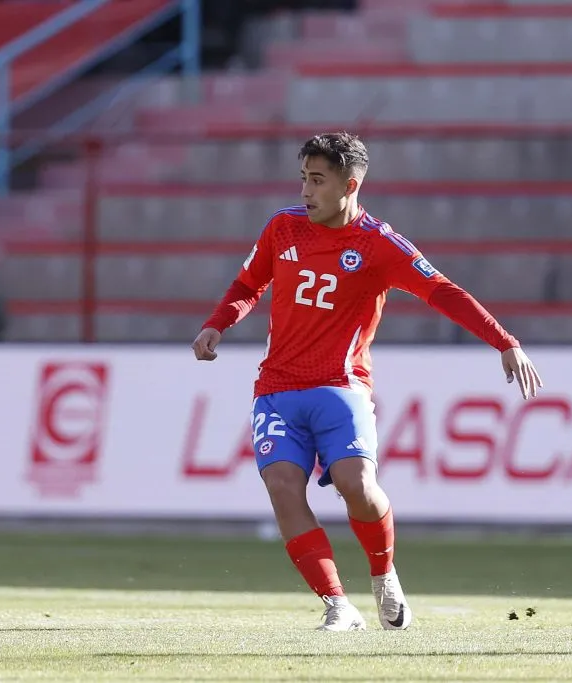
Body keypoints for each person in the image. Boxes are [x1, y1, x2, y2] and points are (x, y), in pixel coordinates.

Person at [191, 132, 543, 632]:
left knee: (358, 487)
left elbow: (441, 291)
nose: (306, 191)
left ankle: (383, 576)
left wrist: (504, 341)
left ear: (349, 185)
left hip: (341, 387)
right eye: (303, 179)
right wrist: (218, 322)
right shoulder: (282, 228)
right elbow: (249, 284)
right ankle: (338, 605)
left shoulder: (378, 244)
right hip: (276, 389)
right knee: (283, 489)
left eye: (317, 181)